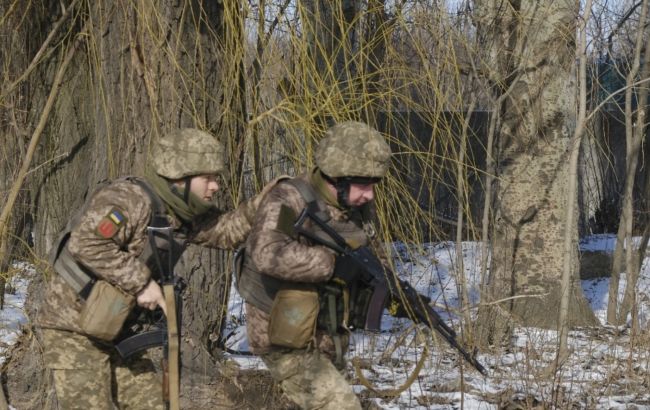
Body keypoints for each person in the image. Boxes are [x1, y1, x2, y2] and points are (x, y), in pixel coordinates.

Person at [37, 128, 272, 409]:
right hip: (73, 328)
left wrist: (267, 202)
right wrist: (141, 283)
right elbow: (86, 244)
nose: (215, 186)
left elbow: (228, 231)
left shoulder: (183, 213)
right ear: (179, 176)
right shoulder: (128, 199)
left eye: (216, 178)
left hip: (118, 328)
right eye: (207, 178)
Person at [237, 121, 392, 410]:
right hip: (281, 331)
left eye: (374, 185)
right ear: (338, 178)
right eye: (364, 184)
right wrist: (330, 264)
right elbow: (267, 251)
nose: (370, 195)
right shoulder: (289, 199)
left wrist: (391, 290)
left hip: (327, 329)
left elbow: (372, 252)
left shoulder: (355, 206)